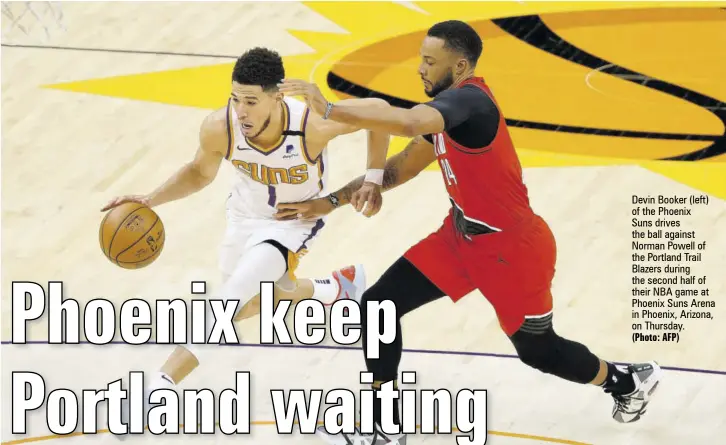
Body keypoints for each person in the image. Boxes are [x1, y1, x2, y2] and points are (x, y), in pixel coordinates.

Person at [276, 20, 662, 444]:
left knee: (539, 352)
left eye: (429, 61)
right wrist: (333, 201)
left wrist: (328, 108)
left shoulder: (471, 105)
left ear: (459, 65)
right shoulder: (444, 113)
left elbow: (403, 122)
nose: (420, 69)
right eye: (419, 59)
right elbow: (397, 168)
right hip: (459, 238)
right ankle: (385, 424)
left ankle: (624, 381)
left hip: (512, 249)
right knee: (378, 306)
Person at [101, 47, 389, 437]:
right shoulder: (220, 126)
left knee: (230, 299)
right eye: (236, 98)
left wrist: (372, 176)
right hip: (243, 218)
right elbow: (200, 173)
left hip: (292, 225)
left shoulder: (312, 124)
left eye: (251, 101)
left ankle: (159, 386)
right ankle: (336, 288)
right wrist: (150, 199)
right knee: (253, 303)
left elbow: (382, 112)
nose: (241, 110)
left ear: (277, 96)